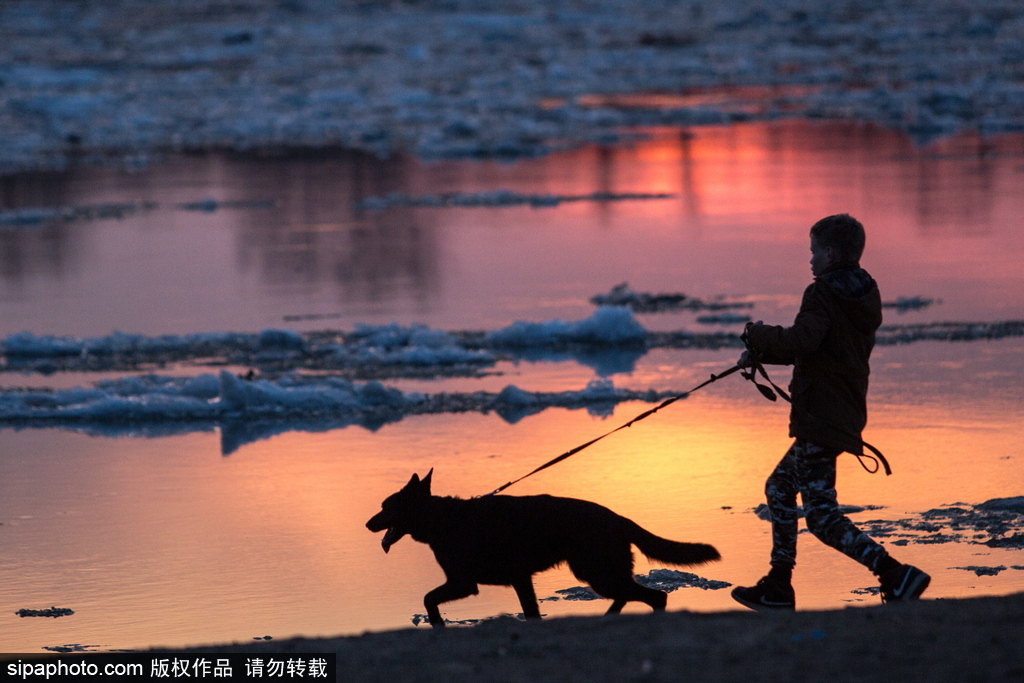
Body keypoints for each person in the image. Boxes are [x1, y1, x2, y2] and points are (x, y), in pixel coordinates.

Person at [730, 213, 929, 611]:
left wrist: (757, 334)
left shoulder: (822, 292)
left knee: (821, 517)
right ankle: (778, 585)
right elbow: (820, 348)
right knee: (780, 488)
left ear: (831, 253)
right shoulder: (862, 292)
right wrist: (764, 352)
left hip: (822, 415)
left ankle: (894, 572)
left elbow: (803, 340)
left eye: (814, 252)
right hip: (839, 410)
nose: (810, 260)